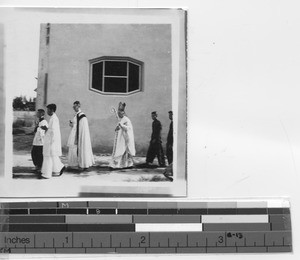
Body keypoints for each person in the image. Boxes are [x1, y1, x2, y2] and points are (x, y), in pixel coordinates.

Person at [40, 104, 65, 179]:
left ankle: (47, 174)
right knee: (52, 156)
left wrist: (46, 129)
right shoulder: (53, 118)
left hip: (51, 140)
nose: (47, 111)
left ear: (51, 110)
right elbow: (51, 130)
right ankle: (59, 167)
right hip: (50, 139)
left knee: (48, 156)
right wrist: (46, 129)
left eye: (48, 110)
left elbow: (53, 131)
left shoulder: (54, 119)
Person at [67, 101, 94, 170]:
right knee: (72, 148)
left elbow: (82, 127)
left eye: (75, 106)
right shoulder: (76, 115)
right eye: (73, 106)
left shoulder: (82, 116)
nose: (74, 108)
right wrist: (72, 124)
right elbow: (75, 125)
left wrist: (78, 135)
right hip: (74, 134)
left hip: (79, 135)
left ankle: (81, 164)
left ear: (79, 106)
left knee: (78, 148)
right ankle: (73, 164)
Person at [110, 102, 136, 169]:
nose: (119, 114)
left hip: (125, 138)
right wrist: (117, 128)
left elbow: (128, 128)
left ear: (123, 113)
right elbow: (118, 127)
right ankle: (117, 165)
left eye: (120, 113)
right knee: (119, 151)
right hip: (120, 139)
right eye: (118, 113)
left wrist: (122, 126)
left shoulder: (127, 120)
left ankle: (127, 165)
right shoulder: (120, 119)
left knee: (123, 151)